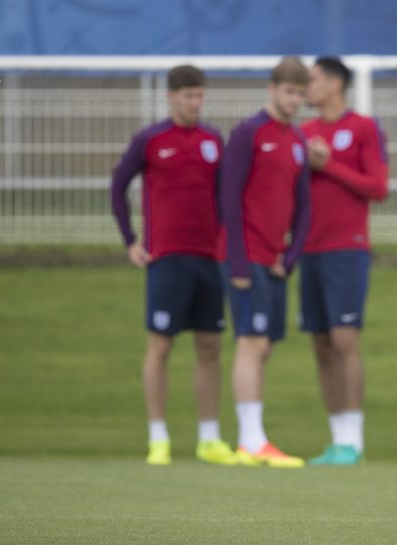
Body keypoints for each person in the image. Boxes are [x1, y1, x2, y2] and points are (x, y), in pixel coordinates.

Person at [110, 65, 236, 467]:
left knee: (211, 346)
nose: (195, 103)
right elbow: (118, 185)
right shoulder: (151, 139)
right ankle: (158, 437)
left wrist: (226, 246)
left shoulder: (213, 140)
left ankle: (209, 437)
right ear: (172, 96)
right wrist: (131, 241)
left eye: (200, 95)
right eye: (188, 96)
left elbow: (225, 198)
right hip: (167, 259)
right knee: (161, 346)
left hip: (209, 260)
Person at [220, 57, 312, 468]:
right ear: (272, 89)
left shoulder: (296, 140)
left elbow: (304, 207)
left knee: (265, 348)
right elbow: (228, 197)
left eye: (301, 94)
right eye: (290, 92)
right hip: (245, 257)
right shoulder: (248, 132)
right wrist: (238, 263)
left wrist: (290, 257)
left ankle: (253, 438)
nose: (295, 101)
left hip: (274, 261)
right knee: (250, 343)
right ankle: (251, 441)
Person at [300, 56, 389, 465]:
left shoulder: (363, 128)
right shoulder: (303, 132)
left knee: (344, 339)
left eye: (313, 79)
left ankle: (355, 439)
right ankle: (336, 439)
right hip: (310, 250)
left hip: (347, 248)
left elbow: (378, 187)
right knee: (320, 344)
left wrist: (328, 166)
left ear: (335, 84)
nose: (306, 87)